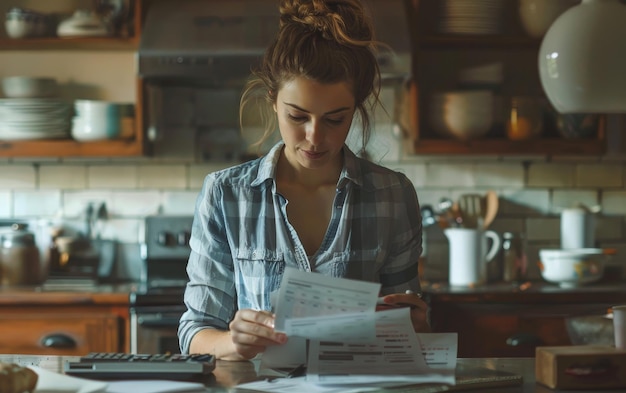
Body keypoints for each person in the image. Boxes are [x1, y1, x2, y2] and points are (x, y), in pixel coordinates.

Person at [179, 0, 429, 361]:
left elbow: (405, 329)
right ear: (273, 102)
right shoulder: (225, 195)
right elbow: (194, 330)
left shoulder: (393, 195)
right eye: (298, 116)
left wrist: (414, 326)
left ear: (355, 110)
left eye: (334, 120)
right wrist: (232, 343)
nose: (314, 137)